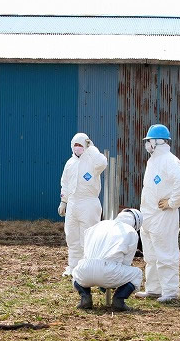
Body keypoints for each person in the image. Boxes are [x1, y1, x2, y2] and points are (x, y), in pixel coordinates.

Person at [136, 124, 180, 303]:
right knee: (150, 255)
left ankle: (170, 291)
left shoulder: (170, 160)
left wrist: (172, 202)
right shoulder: (153, 160)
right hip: (149, 215)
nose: (147, 144)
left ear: (158, 142)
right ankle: (154, 289)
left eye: (149, 141)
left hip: (163, 215)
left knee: (166, 254)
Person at [71, 208, 144, 312]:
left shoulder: (98, 226)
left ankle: (85, 297)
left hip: (85, 269)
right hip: (109, 271)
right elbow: (126, 263)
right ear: (136, 224)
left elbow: (86, 250)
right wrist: (111, 281)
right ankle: (119, 300)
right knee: (137, 273)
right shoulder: (131, 232)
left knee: (75, 273)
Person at [59, 133, 108, 276]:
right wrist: (64, 201)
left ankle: (88, 269)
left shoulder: (93, 160)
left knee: (88, 237)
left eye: (80, 145)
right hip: (73, 203)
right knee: (72, 237)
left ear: (85, 146)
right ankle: (73, 267)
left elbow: (103, 163)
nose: (77, 148)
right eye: (75, 145)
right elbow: (65, 183)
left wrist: (92, 148)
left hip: (89, 202)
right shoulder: (70, 163)